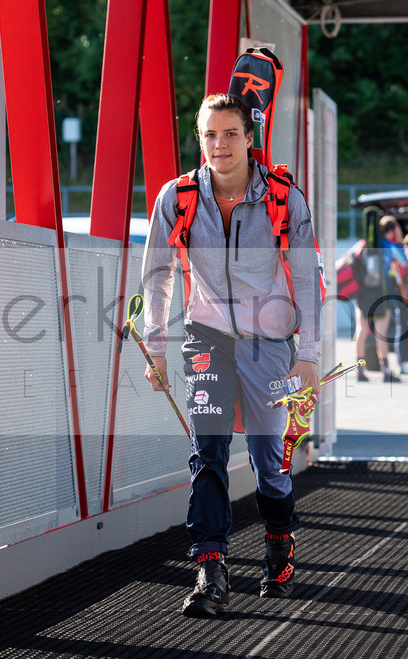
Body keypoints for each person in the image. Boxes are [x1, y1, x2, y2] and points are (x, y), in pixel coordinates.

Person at [141, 93, 322, 616]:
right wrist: (155, 345)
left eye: (229, 134)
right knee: (209, 452)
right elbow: (158, 274)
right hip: (206, 338)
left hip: (270, 343)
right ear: (199, 139)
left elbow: (306, 277)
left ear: (249, 138)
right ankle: (209, 571)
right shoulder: (176, 199)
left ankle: (280, 545)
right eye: (208, 135)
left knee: (269, 463)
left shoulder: (284, 199)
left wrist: (306, 355)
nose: (218, 145)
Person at [354, 215, 407, 382]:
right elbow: (404, 261)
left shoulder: (362, 244)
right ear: (392, 230)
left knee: (361, 331)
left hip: (362, 294)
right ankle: (385, 370)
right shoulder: (389, 245)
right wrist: (399, 240)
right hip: (381, 295)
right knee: (381, 333)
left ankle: (359, 371)